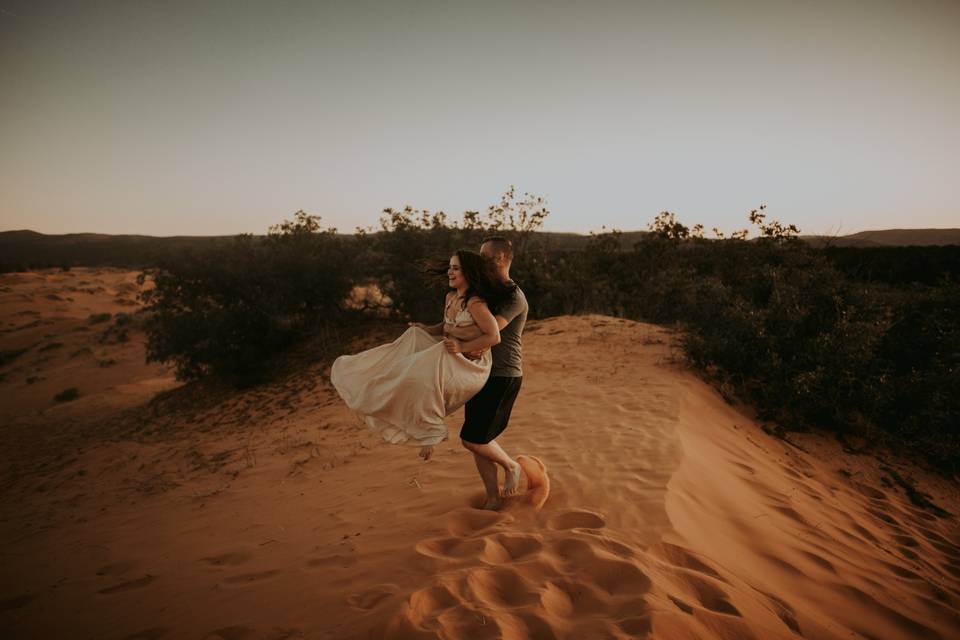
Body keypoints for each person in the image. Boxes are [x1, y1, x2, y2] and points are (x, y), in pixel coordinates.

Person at [330, 250, 516, 461]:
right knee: (414, 336)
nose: (450, 272)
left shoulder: (476, 303)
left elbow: (493, 336)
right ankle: (376, 381)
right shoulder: (450, 297)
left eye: (456, 269)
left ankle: (431, 429)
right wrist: (427, 329)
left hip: (472, 365)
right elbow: (446, 326)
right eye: (450, 268)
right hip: (452, 356)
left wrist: (462, 347)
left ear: (469, 274)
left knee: (427, 362)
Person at [459, 236, 529, 511]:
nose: (480, 260)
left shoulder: (514, 296)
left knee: (472, 439)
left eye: (484, 255)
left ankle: (511, 465)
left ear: (500, 258)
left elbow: (492, 332)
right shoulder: (487, 291)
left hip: (504, 374)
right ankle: (493, 498)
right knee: (479, 440)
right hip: (480, 372)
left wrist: (465, 343)